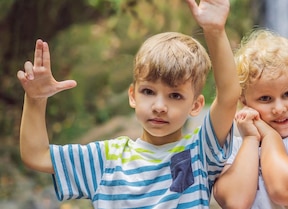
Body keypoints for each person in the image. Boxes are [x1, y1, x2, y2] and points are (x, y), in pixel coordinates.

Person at [15, 0, 240, 207]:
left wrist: (214, 31)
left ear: (196, 105)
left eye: (175, 96)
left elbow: (229, 96)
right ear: (132, 95)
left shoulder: (199, 152)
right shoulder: (106, 159)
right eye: (148, 91)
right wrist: (35, 100)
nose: (159, 106)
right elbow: (37, 156)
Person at [213, 29, 288, 209]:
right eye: (265, 99)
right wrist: (251, 138)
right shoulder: (232, 148)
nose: (279, 109)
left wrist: (270, 136)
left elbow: (284, 191)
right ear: (243, 102)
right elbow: (236, 203)